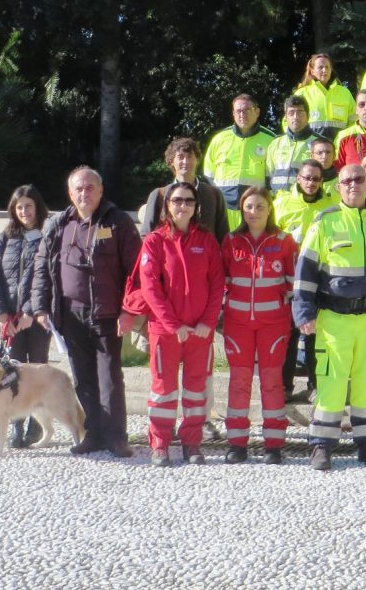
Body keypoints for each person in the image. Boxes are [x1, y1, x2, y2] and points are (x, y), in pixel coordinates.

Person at [293, 164, 366, 472]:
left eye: (359, 179)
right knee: (332, 384)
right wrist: (303, 311)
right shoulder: (325, 222)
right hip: (334, 319)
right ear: (338, 187)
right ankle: (322, 446)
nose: (353, 184)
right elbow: (306, 272)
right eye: (347, 180)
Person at [32, 167, 140, 459]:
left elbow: (137, 272)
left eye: (90, 188)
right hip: (70, 315)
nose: (84, 193)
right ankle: (92, 433)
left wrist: (129, 310)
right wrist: (41, 306)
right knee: (83, 378)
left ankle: (116, 437)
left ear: (101, 191)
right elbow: (42, 267)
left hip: (108, 314)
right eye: (78, 189)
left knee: (109, 378)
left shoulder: (118, 223)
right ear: (70, 194)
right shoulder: (58, 224)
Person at [135, 182, 225, 467]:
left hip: (199, 331)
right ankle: (160, 444)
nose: (182, 205)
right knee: (163, 390)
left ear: (196, 206)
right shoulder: (154, 241)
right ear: (167, 206)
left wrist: (207, 323)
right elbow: (150, 288)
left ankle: (192, 443)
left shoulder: (207, 241)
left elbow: (217, 284)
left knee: (196, 390)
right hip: (165, 331)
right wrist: (174, 325)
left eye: (188, 200)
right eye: (176, 200)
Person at [221, 187, 296, 464]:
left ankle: (274, 445)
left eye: (260, 206)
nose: (254, 212)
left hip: (273, 325)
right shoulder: (230, 241)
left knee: (272, 382)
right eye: (249, 207)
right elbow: (223, 281)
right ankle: (237, 443)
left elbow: (293, 282)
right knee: (239, 382)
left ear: (270, 209)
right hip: (237, 323)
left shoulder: (284, 241)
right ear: (242, 210)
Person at [0, 184, 50, 448]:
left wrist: (31, 313)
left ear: (37, 207)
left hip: (36, 317)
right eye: (19, 207)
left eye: (29, 206)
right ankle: (16, 425)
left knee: (37, 369)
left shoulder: (47, 235)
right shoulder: (4, 238)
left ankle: (36, 423)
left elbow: (47, 278)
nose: (24, 211)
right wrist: (0, 314)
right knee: (12, 371)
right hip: (10, 319)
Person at [272, 158, 334, 396]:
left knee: (314, 333)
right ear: (298, 178)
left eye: (316, 179)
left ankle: (315, 385)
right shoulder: (281, 204)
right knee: (289, 334)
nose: (311, 183)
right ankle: (285, 386)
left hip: (318, 277)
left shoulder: (331, 206)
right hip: (287, 277)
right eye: (307, 177)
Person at [203, 93, 276, 232]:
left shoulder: (271, 140)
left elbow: (273, 177)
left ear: (257, 111)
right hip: (224, 209)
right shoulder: (219, 139)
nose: (243, 114)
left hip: (255, 211)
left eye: (247, 110)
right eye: (239, 111)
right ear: (233, 113)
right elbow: (209, 173)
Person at [140, 137, 229, 241]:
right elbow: (146, 236)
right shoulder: (159, 195)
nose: (185, 161)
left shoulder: (214, 194)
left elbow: (223, 237)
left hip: (205, 256)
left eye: (190, 156)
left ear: (197, 160)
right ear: (171, 161)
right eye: (180, 157)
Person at [291, 52, 355, 142]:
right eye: (320, 67)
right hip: (310, 148)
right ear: (312, 71)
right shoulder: (302, 94)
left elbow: (354, 121)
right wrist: (296, 140)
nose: (324, 70)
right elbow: (288, 121)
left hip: (340, 148)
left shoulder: (345, 93)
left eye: (327, 67)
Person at [267, 94, 316, 194]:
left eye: (300, 113)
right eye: (291, 113)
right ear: (285, 117)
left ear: (308, 116)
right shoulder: (275, 144)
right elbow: (268, 176)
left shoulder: (318, 143)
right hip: (278, 204)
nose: (296, 117)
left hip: (304, 203)